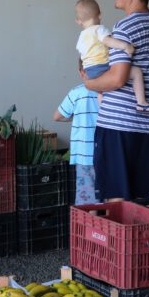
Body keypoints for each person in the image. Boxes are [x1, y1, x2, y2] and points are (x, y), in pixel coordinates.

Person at [84, 0, 149, 200]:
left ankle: (121, 239)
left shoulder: (125, 26)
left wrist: (90, 84)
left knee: (117, 199)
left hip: (118, 126)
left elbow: (117, 78)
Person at [74, 0, 149, 110]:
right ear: (100, 15)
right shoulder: (98, 29)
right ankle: (141, 102)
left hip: (90, 72)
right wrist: (125, 46)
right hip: (102, 67)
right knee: (136, 72)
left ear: (78, 21)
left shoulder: (81, 37)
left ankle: (102, 108)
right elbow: (108, 41)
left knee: (100, 90)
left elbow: (84, 54)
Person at [54, 60, 100, 204]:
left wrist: (77, 116)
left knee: (87, 197)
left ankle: (90, 226)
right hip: (105, 153)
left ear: (81, 72)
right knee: (104, 197)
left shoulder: (77, 93)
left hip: (83, 154)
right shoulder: (108, 93)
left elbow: (57, 116)